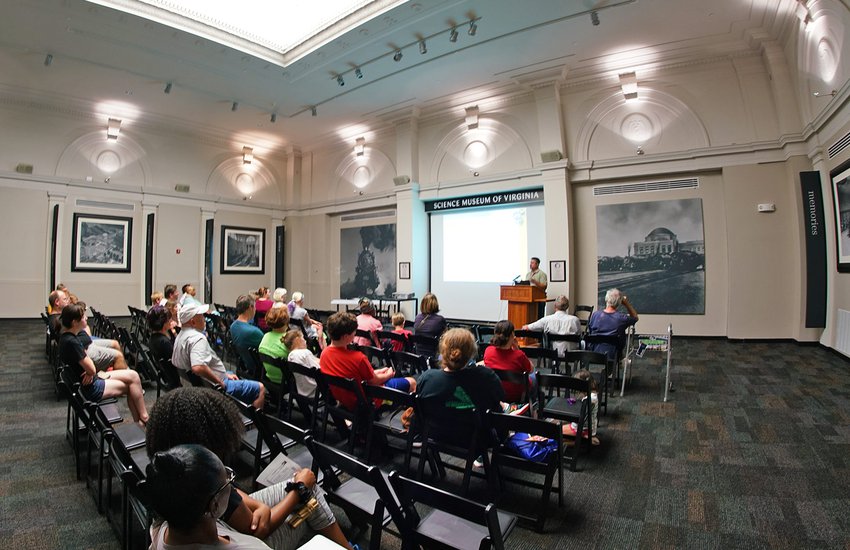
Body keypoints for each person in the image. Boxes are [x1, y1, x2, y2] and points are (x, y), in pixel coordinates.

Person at [144, 391, 355, 550]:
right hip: (247, 534)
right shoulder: (203, 486)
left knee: (304, 493)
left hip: (219, 527)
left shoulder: (170, 474)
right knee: (310, 495)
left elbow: (236, 496)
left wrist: (257, 505)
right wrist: (300, 489)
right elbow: (258, 529)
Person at [58, 303, 149, 425]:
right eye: (83, 316)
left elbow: (90, 367)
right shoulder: (72, 342)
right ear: (75, 322)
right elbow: (91, 367)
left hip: (90, 380)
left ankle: (142, 419)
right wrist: (90, 372)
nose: (86, 317)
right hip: (91, 388)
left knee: (133, 375)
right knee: (131, 386)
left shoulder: (67, 337)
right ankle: (143, 420)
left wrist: (90, 371)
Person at [415, 328, 504, 445]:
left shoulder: (427, 378)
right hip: (476, 441)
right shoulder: (486, 377)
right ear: (472, 352)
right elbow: (499, 398)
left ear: (443, 352)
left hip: (434, 436)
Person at [172, 302, 265, 409]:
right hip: (215, 388)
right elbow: (198, 367)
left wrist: (224, 374)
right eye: (201, 316)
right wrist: (219, 381)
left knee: (231, 374)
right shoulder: (197, 339)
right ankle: (254, 423)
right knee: (260, 388)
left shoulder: (180, 336)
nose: (204, 319)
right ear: (193, 321)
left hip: (204, 385)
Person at [320, 312, 416, 411]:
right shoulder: (358, 358)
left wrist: (377, 372)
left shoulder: (324, 354)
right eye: (354, 332)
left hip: (344, 399)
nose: (355, 334)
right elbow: (375, 381)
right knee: (412, 382)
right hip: (366, 402)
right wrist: (389, 374)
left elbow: (357, 375)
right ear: (345, 336)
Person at [483, 320, 533, 405]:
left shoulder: (488, 351)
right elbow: (531, 369)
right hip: (516, 396)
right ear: (512, 335)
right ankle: (534, 409)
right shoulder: (519, 355)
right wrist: (517, 348)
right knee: (534, 378)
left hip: (495, 393)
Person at [587, 288, 638, 362]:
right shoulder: (622, 318)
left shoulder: (595, 315)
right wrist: (626, 304)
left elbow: (590, 330)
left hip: (594, 354)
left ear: (606, 299)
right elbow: (635, 317)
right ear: (620, 302)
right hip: (613, 355)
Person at [562, 369, 599, 446]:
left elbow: (577, 414)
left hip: (582, 429)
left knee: (554, 433)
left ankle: (583, 441)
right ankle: (584, 440)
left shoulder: (590, 399)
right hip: (586, 427)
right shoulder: (590, 395)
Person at [230, 295, 265, 378]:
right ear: (250, 307)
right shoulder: (254, 332)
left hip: (246, 364)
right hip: (258, 368)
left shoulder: (233, 326)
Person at [258, 306, 291, 385]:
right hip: (286, 380)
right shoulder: (289, 339)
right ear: (286, 322)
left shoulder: (265, 336)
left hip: (269, 378)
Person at [283, 329, 320, 398]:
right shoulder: (305, 353)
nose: (305, 341)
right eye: (303, 338)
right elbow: (320, 370)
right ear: (297, 340)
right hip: (316, 391)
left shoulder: (290, 356)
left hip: (302, 391)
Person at [412, 293, 447, 358]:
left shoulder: (417, 317)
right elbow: (446, 337)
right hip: (434, 355)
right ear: (435, 304)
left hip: (418, 355)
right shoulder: (440, 320)